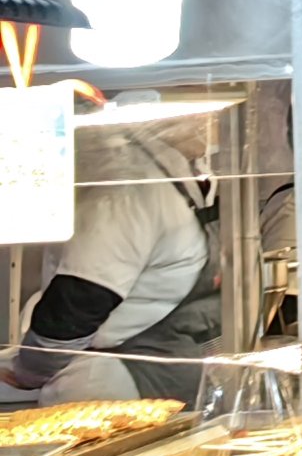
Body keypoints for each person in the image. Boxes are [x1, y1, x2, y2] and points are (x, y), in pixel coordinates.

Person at [5, 94, 219, 405]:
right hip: (150, 372)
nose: (207, 127)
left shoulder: (127, 187)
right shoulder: (150, 172)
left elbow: (78, 301)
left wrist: (30, 370)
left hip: (109, 382)